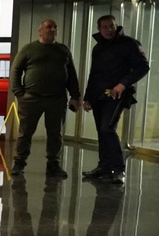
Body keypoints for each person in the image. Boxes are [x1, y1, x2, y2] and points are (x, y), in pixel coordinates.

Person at [82, 14, 150, 184]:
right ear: (99, 29)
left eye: (111, 26)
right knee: (101, 131)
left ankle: (118, 169)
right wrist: (87, 97)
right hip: (98, 95)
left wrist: (123, 84)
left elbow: (143, 66)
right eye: (104, 27)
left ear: (116, 26)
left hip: (118, 94)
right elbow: (94, 74)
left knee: (107, 128)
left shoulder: (129, 44)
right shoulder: (98, 48)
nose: (108, 30)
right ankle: (104, 166)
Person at [9, 19, 81, 178]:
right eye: (49, 27)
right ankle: (19, 163)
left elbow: (72, 75)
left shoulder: (63, 50)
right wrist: (19, 94)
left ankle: (53, 164)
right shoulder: (29, 49)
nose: (52, 30)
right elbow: (15, 71)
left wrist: (75, 96)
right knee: (25, 132)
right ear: (40, 31)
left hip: (57, 99)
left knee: (55, 133)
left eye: (55, 27)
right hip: (31, 99)